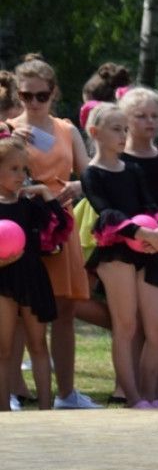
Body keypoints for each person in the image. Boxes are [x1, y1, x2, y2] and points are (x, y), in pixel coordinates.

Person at [10, 54, 101, 409]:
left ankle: (66, 393)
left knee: (64, 312)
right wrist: (10, 138)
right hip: (19, 227)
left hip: (59, 225)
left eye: (41, 95)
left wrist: (79, 188)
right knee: (18, 312)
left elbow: (91, 173)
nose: (33, 103)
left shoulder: (66, 129)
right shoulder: (6, 129)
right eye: (26, 95)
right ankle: (13, 391)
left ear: (54, 93)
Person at [81, 103, 158, 409]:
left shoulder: (132, 169)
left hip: (147, 250)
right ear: (95, 133)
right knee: (126, 325)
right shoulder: (91, 173)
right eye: (116, 129)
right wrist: (141, 233)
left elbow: (149, 203)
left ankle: (149, 394)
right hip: (116, 252)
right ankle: (132, 397)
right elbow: (106, 212)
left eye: (125, 129)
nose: (124, 135)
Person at [0, 133, 69, 411]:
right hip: (2, 280)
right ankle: (3, 409)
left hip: (31, 277)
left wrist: (47, 195)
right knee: (3, 349)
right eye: (13, 169)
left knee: (38, 344)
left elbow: (60, 228)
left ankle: (45, 408)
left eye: (24, 169)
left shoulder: (30, 204)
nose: (21, 176)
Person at [119, 86, 158, 407]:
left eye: (155, 115)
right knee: (134, 322)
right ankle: (131, 388)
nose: (149, 121)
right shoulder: (122, 160)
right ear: (125, 120)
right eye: (140, 116)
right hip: (132, 244)